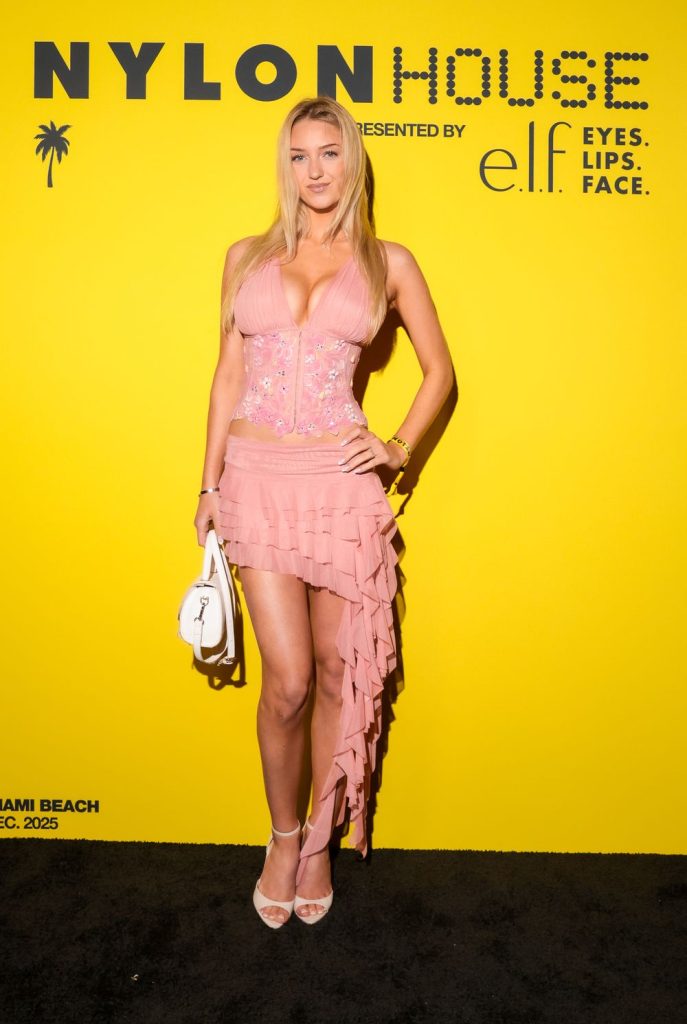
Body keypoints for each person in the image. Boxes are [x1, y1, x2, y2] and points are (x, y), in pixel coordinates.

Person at [194, 96, 454, 928]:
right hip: (259, 480)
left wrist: (398, 447)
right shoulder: (244, 256)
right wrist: (206, 486)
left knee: (344, 673)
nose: (315, 169)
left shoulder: (391, 262)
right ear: (286, 164)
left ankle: (316, 840)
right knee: (289, 681)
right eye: (300, 154)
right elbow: (227, 377)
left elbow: (441, 374)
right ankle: (278, 832)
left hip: (341, 492)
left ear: (352, 163)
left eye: (329, 153)